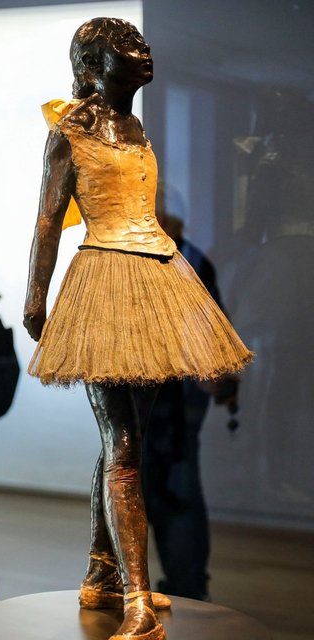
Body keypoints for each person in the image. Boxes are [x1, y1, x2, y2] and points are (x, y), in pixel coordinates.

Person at [22, 18, 251, 640]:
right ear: (94, 64)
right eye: (126, 45)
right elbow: (48, 220)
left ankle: (102, 574)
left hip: (153, 277)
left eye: (141, 42)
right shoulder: (70, 131)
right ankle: (137, 602)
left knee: (127, 442)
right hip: (103, 286)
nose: (143, 50)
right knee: (122, 448)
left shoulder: (135, 127)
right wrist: (36, 297)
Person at [142, 209, 227, 602]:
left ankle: (187, 587)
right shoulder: (184, 257)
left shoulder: (182, 259)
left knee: (175, 486)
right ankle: (183, 585)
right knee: (165, 486)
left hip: (172, 396)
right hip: (165, 394)